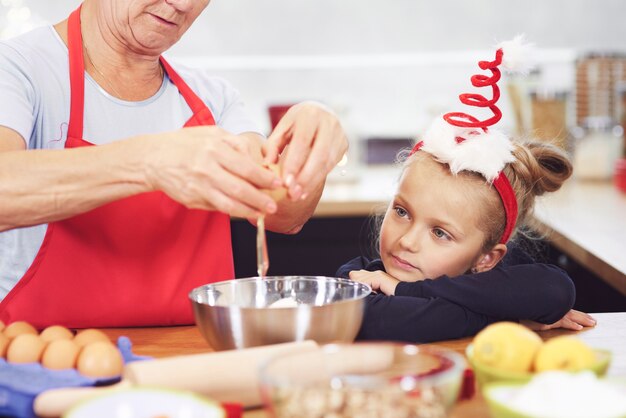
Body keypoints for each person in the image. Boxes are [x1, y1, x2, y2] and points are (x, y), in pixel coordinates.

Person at [0, 0, 348, 328]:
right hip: (43, 368)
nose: (182, 4)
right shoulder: (18, 69)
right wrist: (149, 162)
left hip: (193, 363)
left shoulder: (212, 98)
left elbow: (283, 213)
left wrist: (316, 135)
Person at [337, 37, 595, 343]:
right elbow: (396, 323)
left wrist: (406, 290)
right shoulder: (356, 281)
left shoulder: (488, 274)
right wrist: (508, 317)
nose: (407, 241)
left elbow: (555, 290)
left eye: (440, 233)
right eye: (402, 212)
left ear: (486, 260)